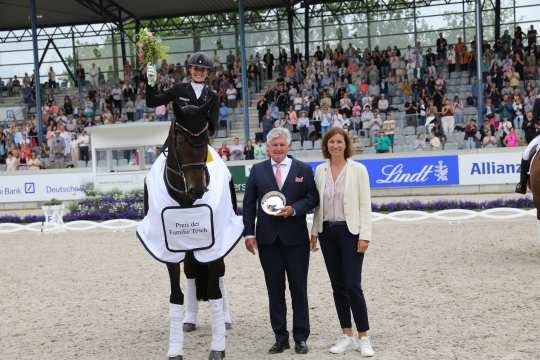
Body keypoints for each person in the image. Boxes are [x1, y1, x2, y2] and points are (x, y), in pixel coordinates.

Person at [243, 127, 319, 355]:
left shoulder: (302, 169)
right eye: (274, 145)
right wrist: (249, 233)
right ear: (267, 148)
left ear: (288, 146)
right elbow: (248, 204)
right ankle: (280, 337)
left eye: (282, 145)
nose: (278, 149)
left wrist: (294, 209)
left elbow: (312, 198)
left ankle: (301, 337)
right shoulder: (257, 171)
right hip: (268, 241)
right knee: (274, 291)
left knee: (299, 290)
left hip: (296, 241)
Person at [309, 127, 375, 357]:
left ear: (346, 145)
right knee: (337, 286)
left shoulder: (358, 170)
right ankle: (346, 334)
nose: (335, 146)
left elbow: (365, 205)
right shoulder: (320, 170)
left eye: (339, 142)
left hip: (351, 233)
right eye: (331, 142)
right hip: (327, 232)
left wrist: (365, 235)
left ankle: (364, 336)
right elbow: (318, 205)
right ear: (326, 146)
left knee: (353, 285)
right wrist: (314, 232)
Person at [146, 52, 219, 150]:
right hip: (178, 144)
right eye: (196, 68)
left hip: (201, 146)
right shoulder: (178, 89)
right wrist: (151, 80)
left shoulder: (213, 97)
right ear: (190, 69)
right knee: (159, 165)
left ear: (207, 72)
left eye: (203, 69)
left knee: (219, 165)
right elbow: (152, 102)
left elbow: (212, 128)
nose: (199, 72)